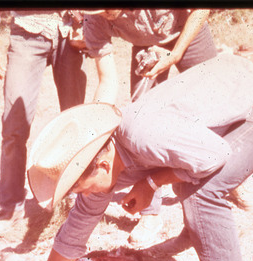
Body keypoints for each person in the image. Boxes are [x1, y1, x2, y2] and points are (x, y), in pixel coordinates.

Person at [22, 54, 253, 261]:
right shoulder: (102, 157)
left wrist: (151, 182)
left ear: (101, 165)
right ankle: (196, 231)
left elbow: (216, 156)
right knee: (190, 171)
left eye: (83, 189)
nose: (85, 196)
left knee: (204, 191)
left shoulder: (141, 136)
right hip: (224, 109)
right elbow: (79, 225)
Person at [81, 9, 217, 247]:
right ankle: (150, 215)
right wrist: (95, 130)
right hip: (146, 47)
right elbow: (106, 80)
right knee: (143, 126)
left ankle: (209, 208)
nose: (105, 16)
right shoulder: (93, 19)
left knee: (213, 109)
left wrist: (175, 55)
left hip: (187, 32)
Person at [0, 10, 87, 236]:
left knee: (76, 120)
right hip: (26, 33)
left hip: (71, 34)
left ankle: (78, 202)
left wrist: (87, 22)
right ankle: (11, 207)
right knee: (14, 126)